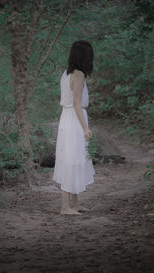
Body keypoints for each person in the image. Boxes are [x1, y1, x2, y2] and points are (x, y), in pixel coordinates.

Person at [52, 40, 95, 215]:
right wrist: (85, 128)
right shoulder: (78, 75)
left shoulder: (67, 74)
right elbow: (76, 103)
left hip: (68, 117)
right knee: (71, 160)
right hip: (74, 120)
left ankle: (75, 204)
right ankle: (65, 206)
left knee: (75, 158)